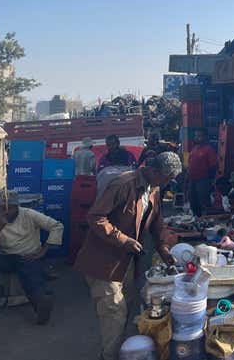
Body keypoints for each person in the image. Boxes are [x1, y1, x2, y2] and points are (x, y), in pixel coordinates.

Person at [74, 152, 182, 360]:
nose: (168, 183)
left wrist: (164, 249)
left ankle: (119, 351)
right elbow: (95, 217)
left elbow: (157, 224)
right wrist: (123, 239)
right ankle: (110, 356)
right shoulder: (123, 184)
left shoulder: (154, 189)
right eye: (167, 178)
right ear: (154, 171)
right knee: (114, 312)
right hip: (104, 261)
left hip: (126, 261)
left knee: (126, 309)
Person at [0, 192, 64, 324]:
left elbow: (56, 226)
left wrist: (43, 251)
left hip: (28, 256)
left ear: (17, 207)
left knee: (30, 277)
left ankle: (41, 305)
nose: (5, 212)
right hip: (6, 257)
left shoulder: (29, 214)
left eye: (9, 208)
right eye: (2, 208)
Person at [186, 129, 217, 217]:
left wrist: (211, 180)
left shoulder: (209, 150)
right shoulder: (194, 148)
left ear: (205, 137)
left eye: (200, 136)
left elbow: (213, 166)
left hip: (203, 180)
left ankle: (206, 220)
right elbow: (190, 164)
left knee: (203, 201)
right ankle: (197, 219)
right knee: (192, 200)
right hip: (192, 180)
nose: (197, 138)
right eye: (196, 136)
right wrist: (187, 178)